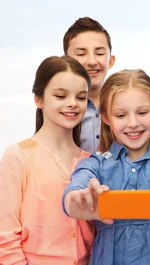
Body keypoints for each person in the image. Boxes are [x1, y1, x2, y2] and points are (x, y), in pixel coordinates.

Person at [62, 69, 150, 265]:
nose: (133, 123)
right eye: (121, 115)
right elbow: (75, 190)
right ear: (106, 118)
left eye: (142, 112)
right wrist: (74, 200)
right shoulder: (94, 164)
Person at [0, 55, 95, 264]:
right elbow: (5, 239)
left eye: (81, 97)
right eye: (60, 96)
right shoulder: (18, 156)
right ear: (39, 99)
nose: (72, 104)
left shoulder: (92, 163)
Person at [64, 17, 116, 153]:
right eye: (81, 53)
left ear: (111, 60)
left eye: (99, 53)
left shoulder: (125, 103)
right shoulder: (60, 109)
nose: (92, 61)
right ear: (66, 61)